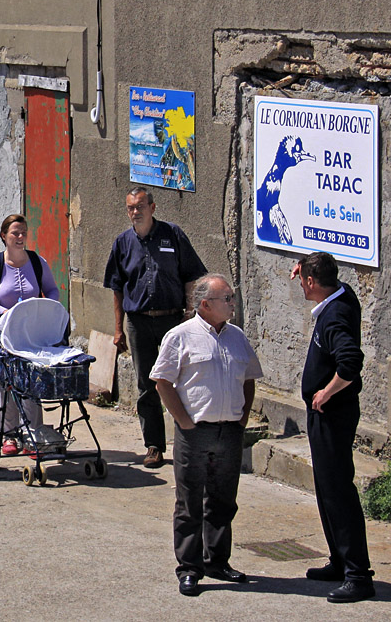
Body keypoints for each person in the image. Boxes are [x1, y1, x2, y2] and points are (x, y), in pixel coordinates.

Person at [150, 274, 263, 597]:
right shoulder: (180, 336)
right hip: (195, 431)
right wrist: (183, 421)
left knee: (223, 500)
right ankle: (189, 567)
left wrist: (242, 419)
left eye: (231, 297)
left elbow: (249, 378)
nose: (232, 303)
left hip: (229, 431)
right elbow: (162, 381)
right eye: (226, 298)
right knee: (189, 503)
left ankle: (217, 561)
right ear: (204, 305)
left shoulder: (237, 337)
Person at [291, 252, 375, 603]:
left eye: (303, 279)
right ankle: (339, 561)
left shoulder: (335, 315)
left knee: (338, 490)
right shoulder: (341, 294)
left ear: (312, 282)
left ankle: (358, 574)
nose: (300, 284)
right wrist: (304, 266)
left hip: (333, 414)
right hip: (326, 415)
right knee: (326, 488)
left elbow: (351, 361)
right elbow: (326, 277)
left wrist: (326, 391)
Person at [103, 186, 207, 468]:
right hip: (138, 322)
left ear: (152, 207)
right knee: (146, 386)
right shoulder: (122, 243)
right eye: (130, 208)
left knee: (183, 380)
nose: (135, 212)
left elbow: (191, 276)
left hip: (173, 320)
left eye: (140, 206)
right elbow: (116, 288)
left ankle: (191, 441)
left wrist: (190, 314)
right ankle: (154, 446)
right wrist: (118, 329)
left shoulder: (172, 235)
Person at [0, 214, 60, 454]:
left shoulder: (36, 262)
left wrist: (44, 308)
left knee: (31, 383)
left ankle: (33, 434)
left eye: (23, 232)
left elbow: (52, 290)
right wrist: (5, 313)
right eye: (15, 233)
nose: (20, 237)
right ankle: (9, 435)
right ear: (4, 236)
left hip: (29, 336)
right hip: (0, 336)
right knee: (5, 384)